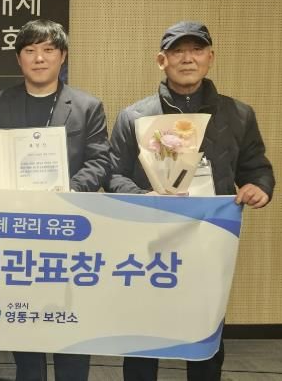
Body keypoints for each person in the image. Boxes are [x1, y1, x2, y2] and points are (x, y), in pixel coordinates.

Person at [107, 20, 275, 380]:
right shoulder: (135, 116)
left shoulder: (238, 114)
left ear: (210, 57)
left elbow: (256, 168)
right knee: (142, 333)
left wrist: (259, 186)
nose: (188, 58)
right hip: (148, 244)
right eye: (178, 51)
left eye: (197, 50)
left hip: (208, 240)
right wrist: (145, 196)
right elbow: (113, 176)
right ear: (161, 60)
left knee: (204, 335)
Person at [0, 19, 111, 381]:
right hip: (17, 231)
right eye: (30, 51)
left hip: (68, 230)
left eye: (48, 50)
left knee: (70, 321)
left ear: (63, 56)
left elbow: (100, 161)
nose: (39, 58)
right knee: (23, 320)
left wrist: (69, 190)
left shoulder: (87, 106)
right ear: (19, 59)